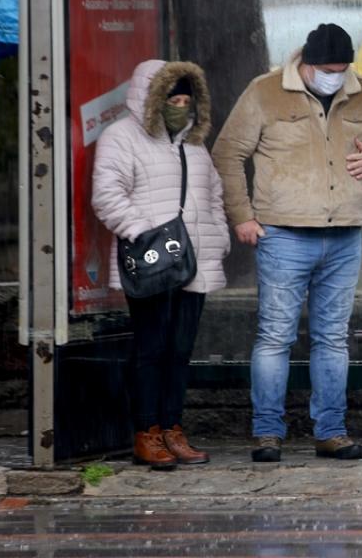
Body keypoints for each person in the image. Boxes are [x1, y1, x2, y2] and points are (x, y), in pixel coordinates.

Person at [212, 23, 362, 463]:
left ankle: (331, 432)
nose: (336, 77)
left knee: (333, 339)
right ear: (307, 63)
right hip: (283, 234)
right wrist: (241, 216)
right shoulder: (264, 92)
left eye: (343, 69)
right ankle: (267, 434)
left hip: (345, 235)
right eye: (328, 69)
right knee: (275, 337)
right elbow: (227, 153)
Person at [92, 60, 230, 470]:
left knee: (179, 351)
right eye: (174, 98)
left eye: (188, 99)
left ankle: (173, 427)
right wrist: (141, 233)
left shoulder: (195, 142)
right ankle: (146, 431)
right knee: (151, 350)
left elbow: (214, 195)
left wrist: (219, 238)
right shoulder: (121, 137)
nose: (181, 106)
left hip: (195, 264)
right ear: (153, 98)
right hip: (153, 263)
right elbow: (107, 194)